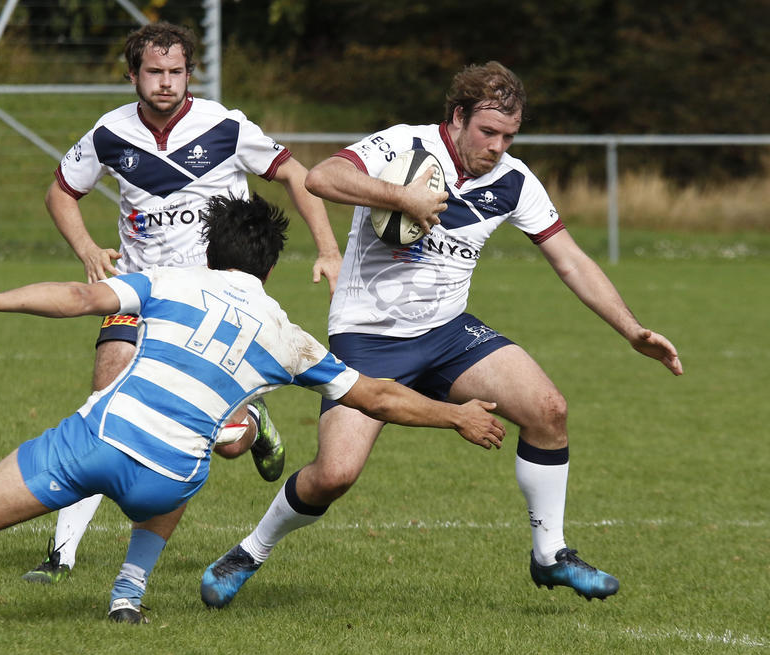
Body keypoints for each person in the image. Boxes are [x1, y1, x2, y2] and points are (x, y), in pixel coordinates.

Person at [0, 194, 503, 632]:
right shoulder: (291, 336)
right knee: (190, 454)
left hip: (95, 445)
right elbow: (372, 394)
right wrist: (456, 415)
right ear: (270, 267)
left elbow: (83, 297)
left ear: (211, 249)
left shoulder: (174, 281)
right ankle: (128, 593)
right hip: (166, 484)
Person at [200, 61, 684, 609]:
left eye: (508, 136)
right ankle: (249, 550)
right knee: (333, 475)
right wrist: (400, 197)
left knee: (548, 409)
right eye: (488, 132)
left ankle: (550, 555)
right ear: (457, 116)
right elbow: (321, 178)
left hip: (450, 334)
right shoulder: (405, 146)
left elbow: (569, 260)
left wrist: (631, 329)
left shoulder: (514, 181)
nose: (498, 146)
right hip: (368, 338)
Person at [22, 20, 343, 594]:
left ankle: (253, 423)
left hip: (216, 300)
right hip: (141, 290)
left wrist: (328, 248)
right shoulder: (109, 134)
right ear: (132, 75)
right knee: (105, 399)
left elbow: (297, 173)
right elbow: (60, 193)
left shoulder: (225, 126)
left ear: (189, 73)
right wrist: (89, 249)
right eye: (154, 72)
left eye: (176, 72)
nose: (166, 83)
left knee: (226, 440)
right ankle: (61, 555)